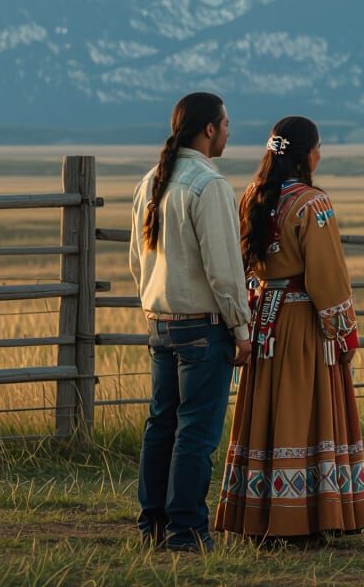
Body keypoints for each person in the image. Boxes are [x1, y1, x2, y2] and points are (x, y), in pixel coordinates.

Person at [215, 115, 364, 541]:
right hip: (304, 323)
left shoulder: (251, 197)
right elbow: (327, 276)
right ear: (307, 155)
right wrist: (344, 330)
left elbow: (245, 266)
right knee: (306, 409)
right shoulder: (313, 204)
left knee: (268, 408)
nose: (320, 156)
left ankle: (260, 513)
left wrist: (251, 316)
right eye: (318, 148)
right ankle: (306, 516)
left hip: (266, 319)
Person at [129, 92, 252, 553]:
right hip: (203, 325)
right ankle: (187, 530)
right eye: (225, 123)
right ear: (209, 130)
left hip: (159, 319)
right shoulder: (209, 184)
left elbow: (137, 260)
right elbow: (224, 268)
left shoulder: (151, 182)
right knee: (196, 431)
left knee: (160, 425)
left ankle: (153, 525)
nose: (228, 131)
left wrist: (151, 304)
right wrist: (241, 328)